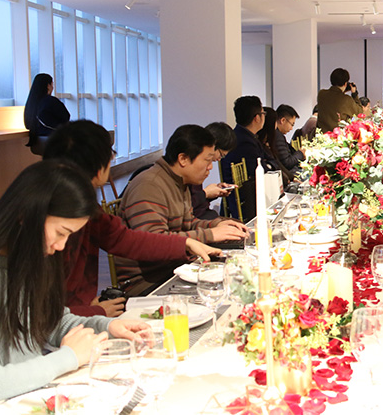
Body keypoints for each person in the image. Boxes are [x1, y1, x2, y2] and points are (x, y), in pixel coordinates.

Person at [0, 160, 149, 413]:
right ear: (25, 215)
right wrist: (68, 357)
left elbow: (51, 322)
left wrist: (107, 327)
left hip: (29, 401)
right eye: (61, 232)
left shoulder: (23, 260)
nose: (61, 246)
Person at [43, 120, 222, 316]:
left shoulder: (75, 201)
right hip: (69, 318)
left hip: (73, 313)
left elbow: (122, 238)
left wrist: (188, 241)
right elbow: (42, 307)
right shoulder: (149, 185)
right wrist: (90, 311)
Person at [120, 125, 248, 288]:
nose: (210, 167)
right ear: (183, 159)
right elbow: (153, 242)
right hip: (149, 281)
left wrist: (217, 225)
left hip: (175, 267)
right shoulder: (149, 185)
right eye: (208, 160)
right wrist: (210, 234)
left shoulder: (179, 182)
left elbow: (188, 223)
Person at [221, 96, 280, 221]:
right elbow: (260, 170)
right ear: (257, 118)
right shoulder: (244, 141)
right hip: (246, 201)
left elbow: (271, 161)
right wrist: (268, 164)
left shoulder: (246, 136)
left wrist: (268, 164)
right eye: (263, 114)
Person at [190, 121, 237, 220]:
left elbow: (196, 202)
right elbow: (186, 206)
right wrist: (206, 193)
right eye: (221, 155)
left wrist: (213, 192)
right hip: (197, 220)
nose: (210, 167)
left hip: (203, 216)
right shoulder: (191, 167)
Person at [23, 73, 70, 155]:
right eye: (52, 84)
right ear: (48, 86)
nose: (53, 87)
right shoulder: (50, 101)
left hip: (36, 142)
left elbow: (28, 125)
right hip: (53, 141)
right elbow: (66, 117)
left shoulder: (31, 104)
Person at [316, 68, 363, 132]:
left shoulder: (321, 94)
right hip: (338, 135)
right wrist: (354, 94)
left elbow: (334, 97)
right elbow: (359, 112)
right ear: (345, 84)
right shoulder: (346, 100)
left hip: (321, 135)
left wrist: (343, 91)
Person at [273, 104, 305, 175]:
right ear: (283, 120)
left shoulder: (278, 135)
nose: (291, 128)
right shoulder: (277, 136)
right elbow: (287, 163)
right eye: (292, 124)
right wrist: (301, 153)